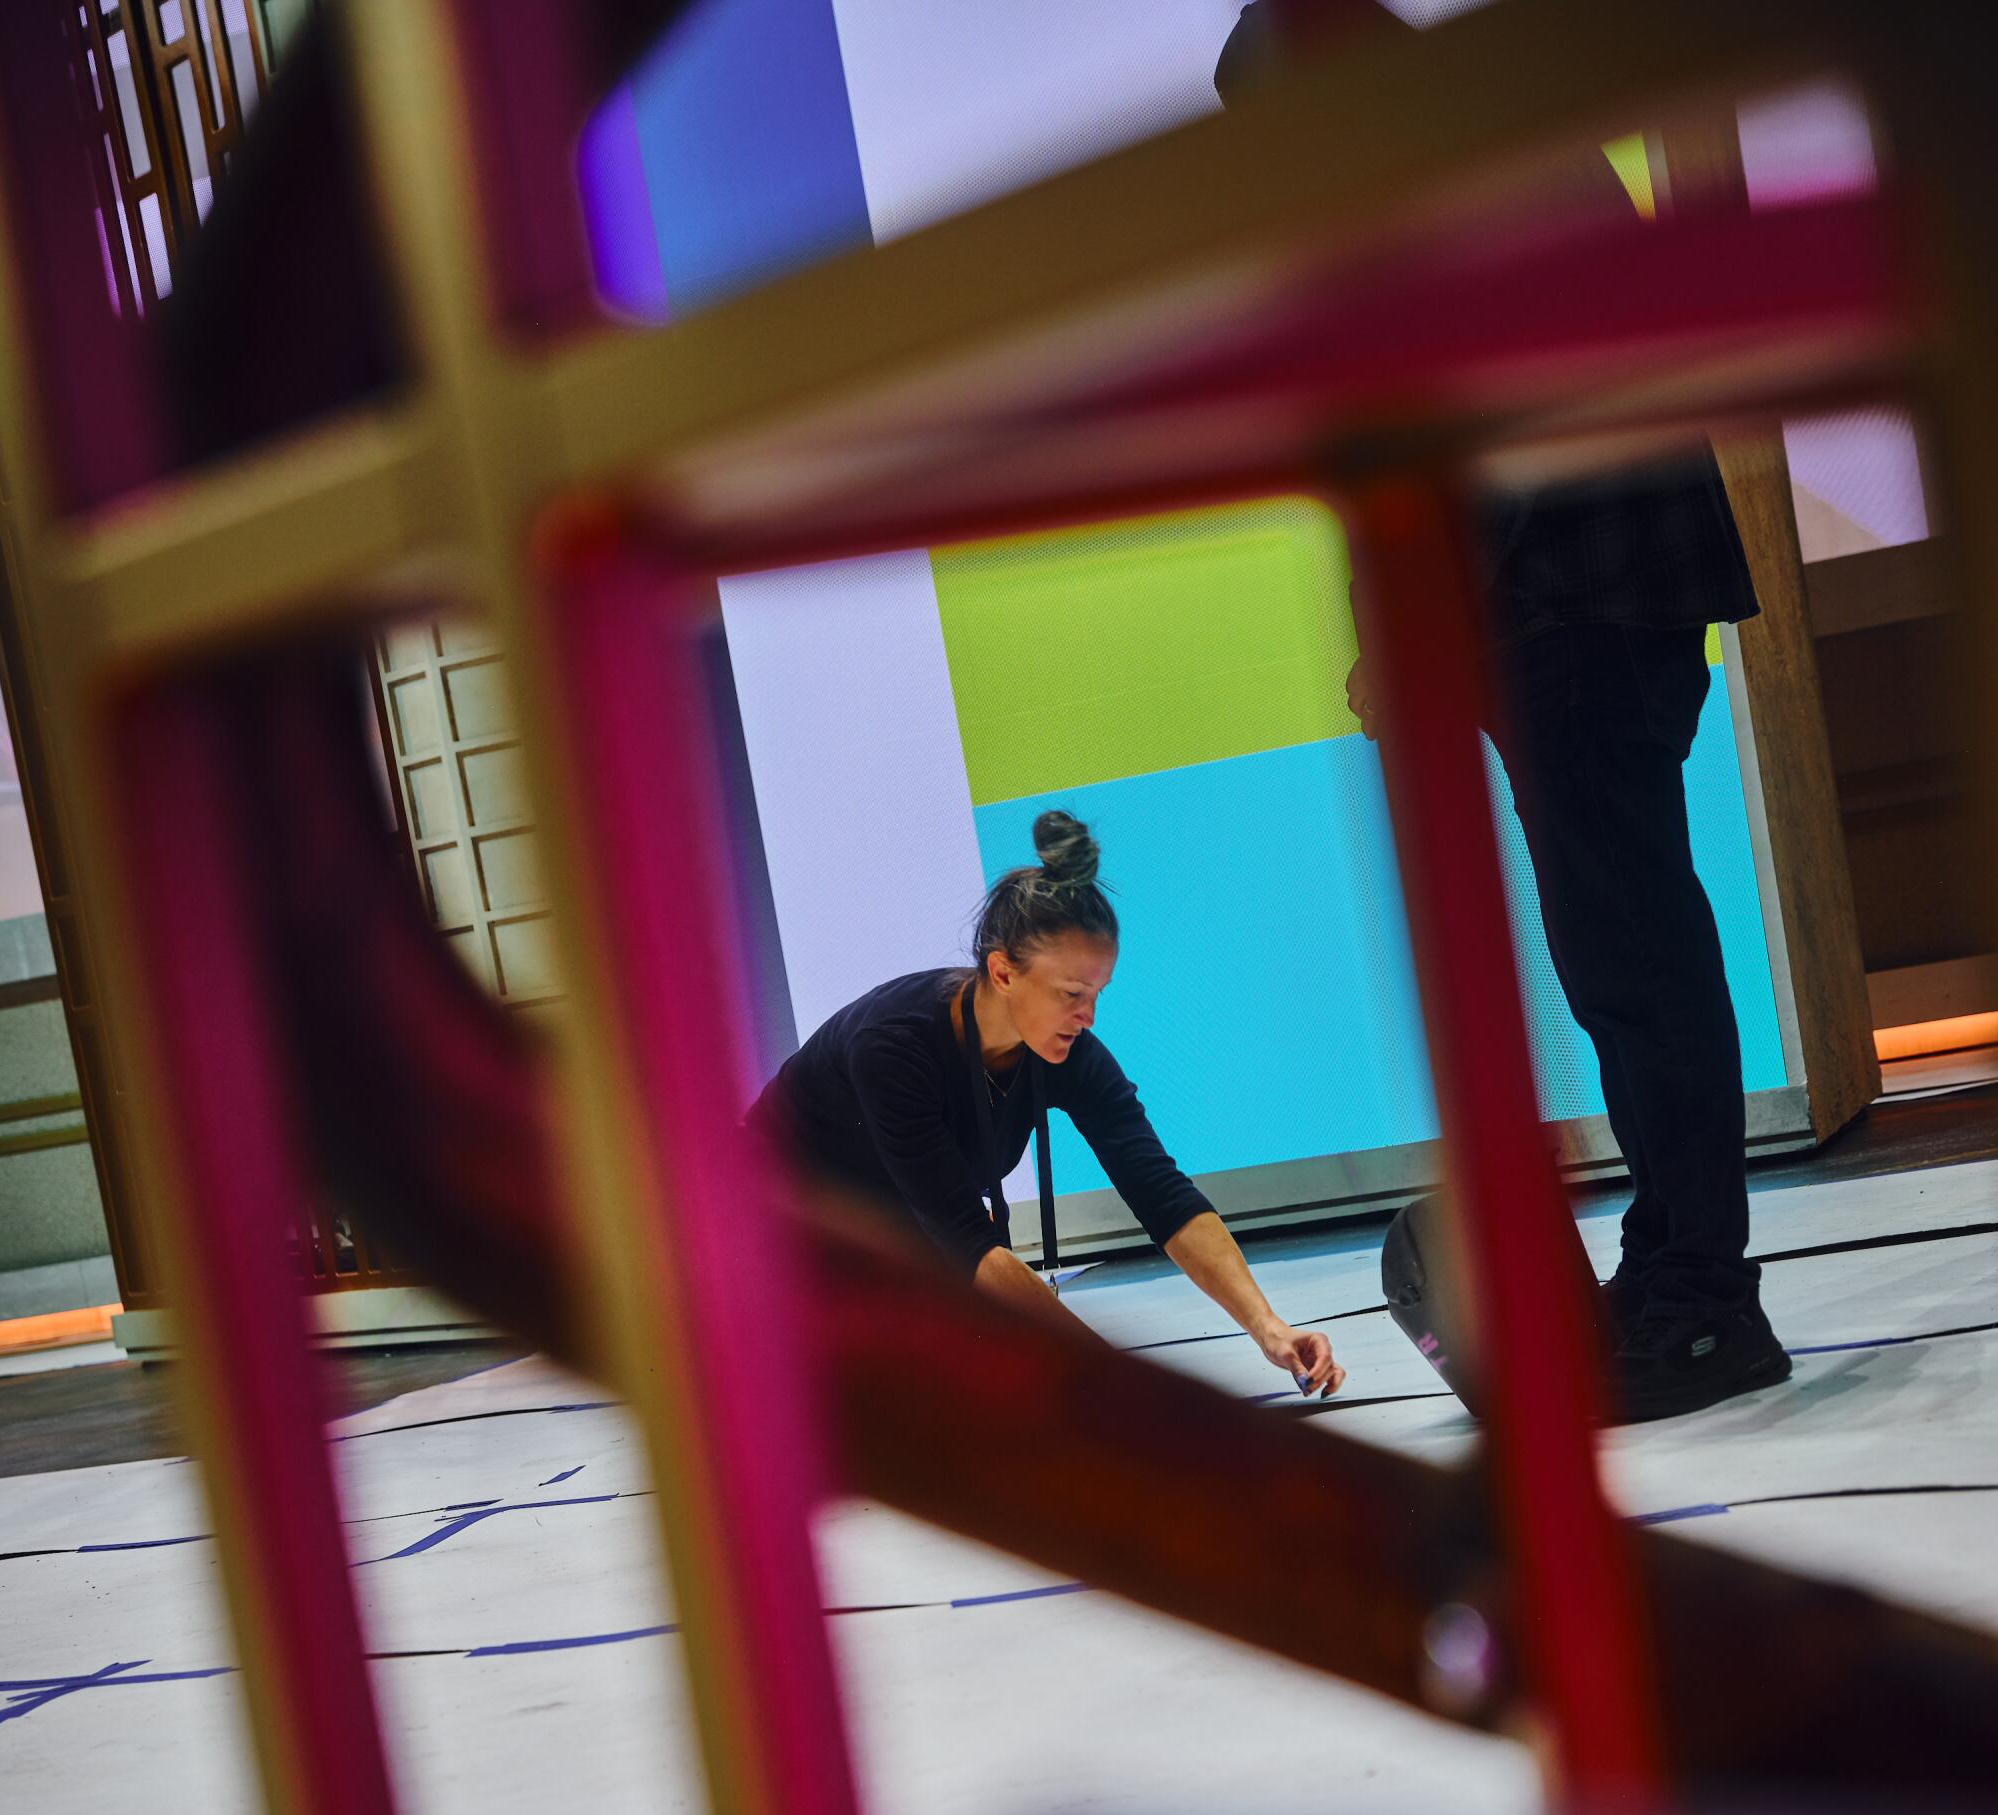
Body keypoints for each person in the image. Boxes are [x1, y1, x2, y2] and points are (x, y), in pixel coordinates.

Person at [1217, 1, 1792, 1424]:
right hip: (1571, 607)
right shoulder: (1462, 151)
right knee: (1625, 962)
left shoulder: (1458, 176)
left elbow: (1510, 426)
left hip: (1574, 604)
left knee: (1638, 965)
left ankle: (1701, 1304)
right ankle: (1672, 1272)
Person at [753, 810, 1344, 1395]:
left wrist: (1268, 1327)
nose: (1088, 1017)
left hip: (882, 1244)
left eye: (1096, 993)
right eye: (1070, 993)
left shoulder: (1068, 1051)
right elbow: (967, 1243)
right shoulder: (894, 1046)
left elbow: (1160, 1192)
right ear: (1004, 973)